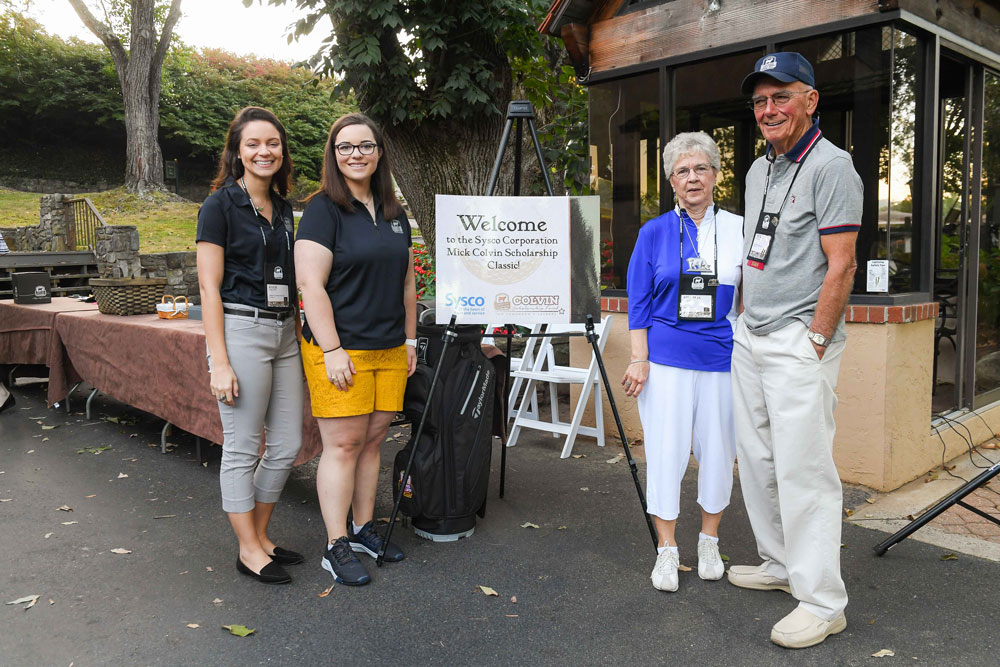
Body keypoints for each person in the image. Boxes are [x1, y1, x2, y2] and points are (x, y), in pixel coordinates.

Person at [729, 52, 861, 649]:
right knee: (757, 459)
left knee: (804, 470)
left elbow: (842, 264)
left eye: (781, 96)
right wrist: (738, 316)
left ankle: (824, 600)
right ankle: (782, 564)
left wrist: (815, 339)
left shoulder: (833, 168)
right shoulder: (761, 171)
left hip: (796, 341)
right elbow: (761, 251)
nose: (769, 109)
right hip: (750, 336)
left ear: (811, 99)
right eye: (760, 100)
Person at [295, 113, 417, 586]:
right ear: (334, 154)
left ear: (379, 152)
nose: (355, 154)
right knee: (343, 444)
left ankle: (365, 528)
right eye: (345, 147)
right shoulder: (324, 209)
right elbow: (311, 284)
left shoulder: (393, 211)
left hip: (389, 347)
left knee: (372, 441)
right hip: (340, 348)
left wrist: (409, 341)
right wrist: (331, 349)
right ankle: (335, 544)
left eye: (365, 145)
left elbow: (408, 282)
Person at [622, 131, 743, 593]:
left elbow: (750, 297)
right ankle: (667, 549)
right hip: (667, 359)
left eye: (700, 168)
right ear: (671, 181)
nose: (692, 178)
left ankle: (709, 539)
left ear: (715, 174)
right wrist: (640, 358)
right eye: (682, 171)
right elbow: (638, 301)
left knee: (718, 452)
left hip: (721, 357)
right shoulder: (653, 232)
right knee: (667, 453)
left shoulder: (737, 228)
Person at [196, 106, 304, 585]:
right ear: (237, 152)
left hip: (285, 332)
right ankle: (247, 549)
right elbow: (208, 289)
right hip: (241, 330)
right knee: (242, 448)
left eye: (273, 143)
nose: (265, 151)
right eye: (253, 144)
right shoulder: (218, 206)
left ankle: (260, 537)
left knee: (287, 445)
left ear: (282, 151)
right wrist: (219, 361)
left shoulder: (283, 209)